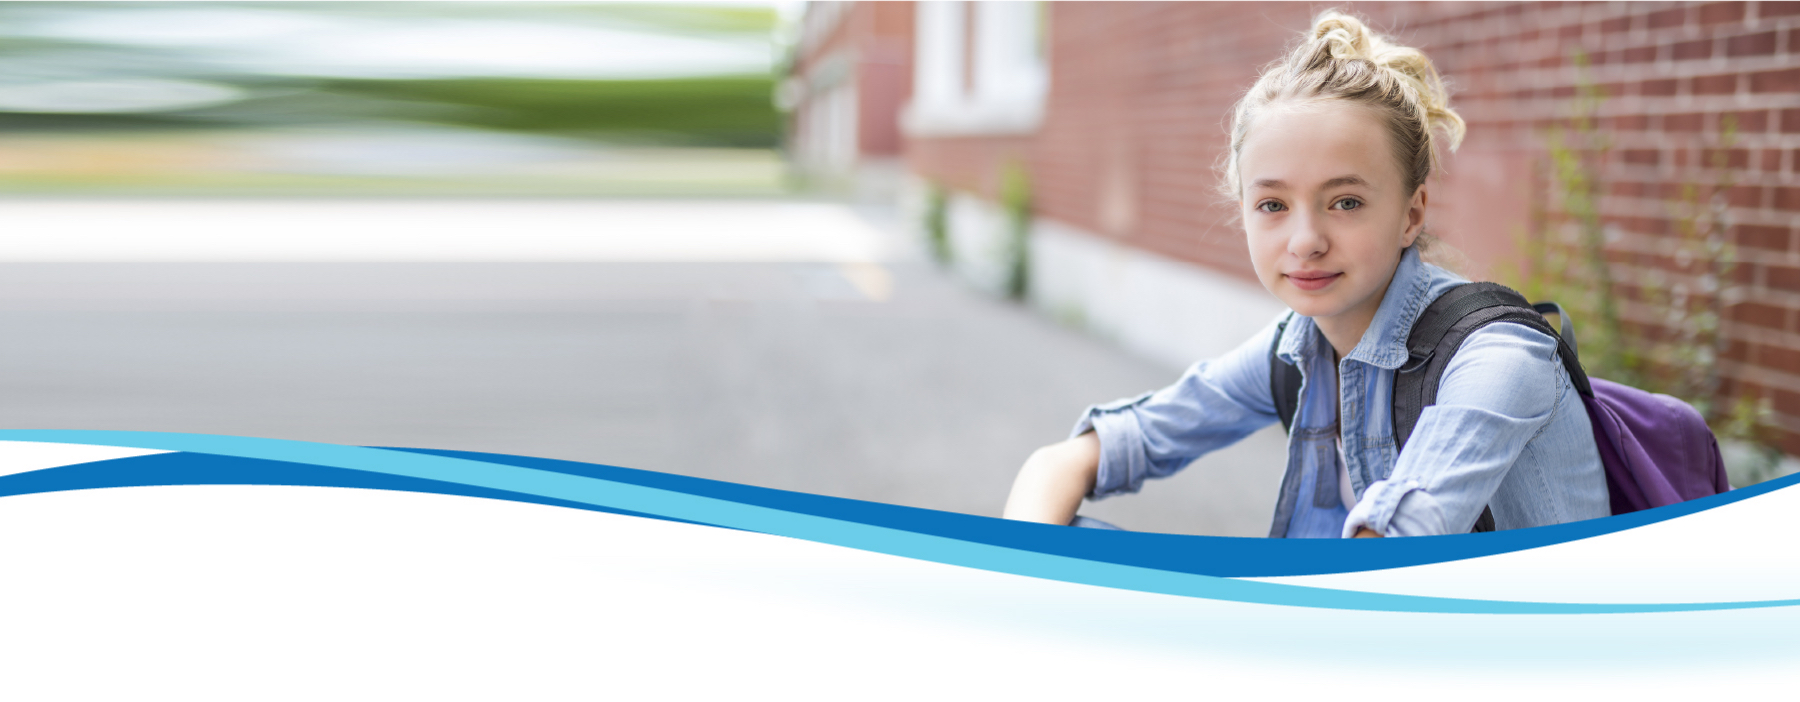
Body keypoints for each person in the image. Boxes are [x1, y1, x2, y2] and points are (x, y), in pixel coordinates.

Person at [1002, 11, 1610, 538]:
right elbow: (1065, 462)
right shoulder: (1299, 348)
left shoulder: (1498, 359)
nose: (1306, 241)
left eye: (1345, 202)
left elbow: (1390, 552)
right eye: (1272, 205)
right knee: (1070, 545)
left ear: (1411, 213)